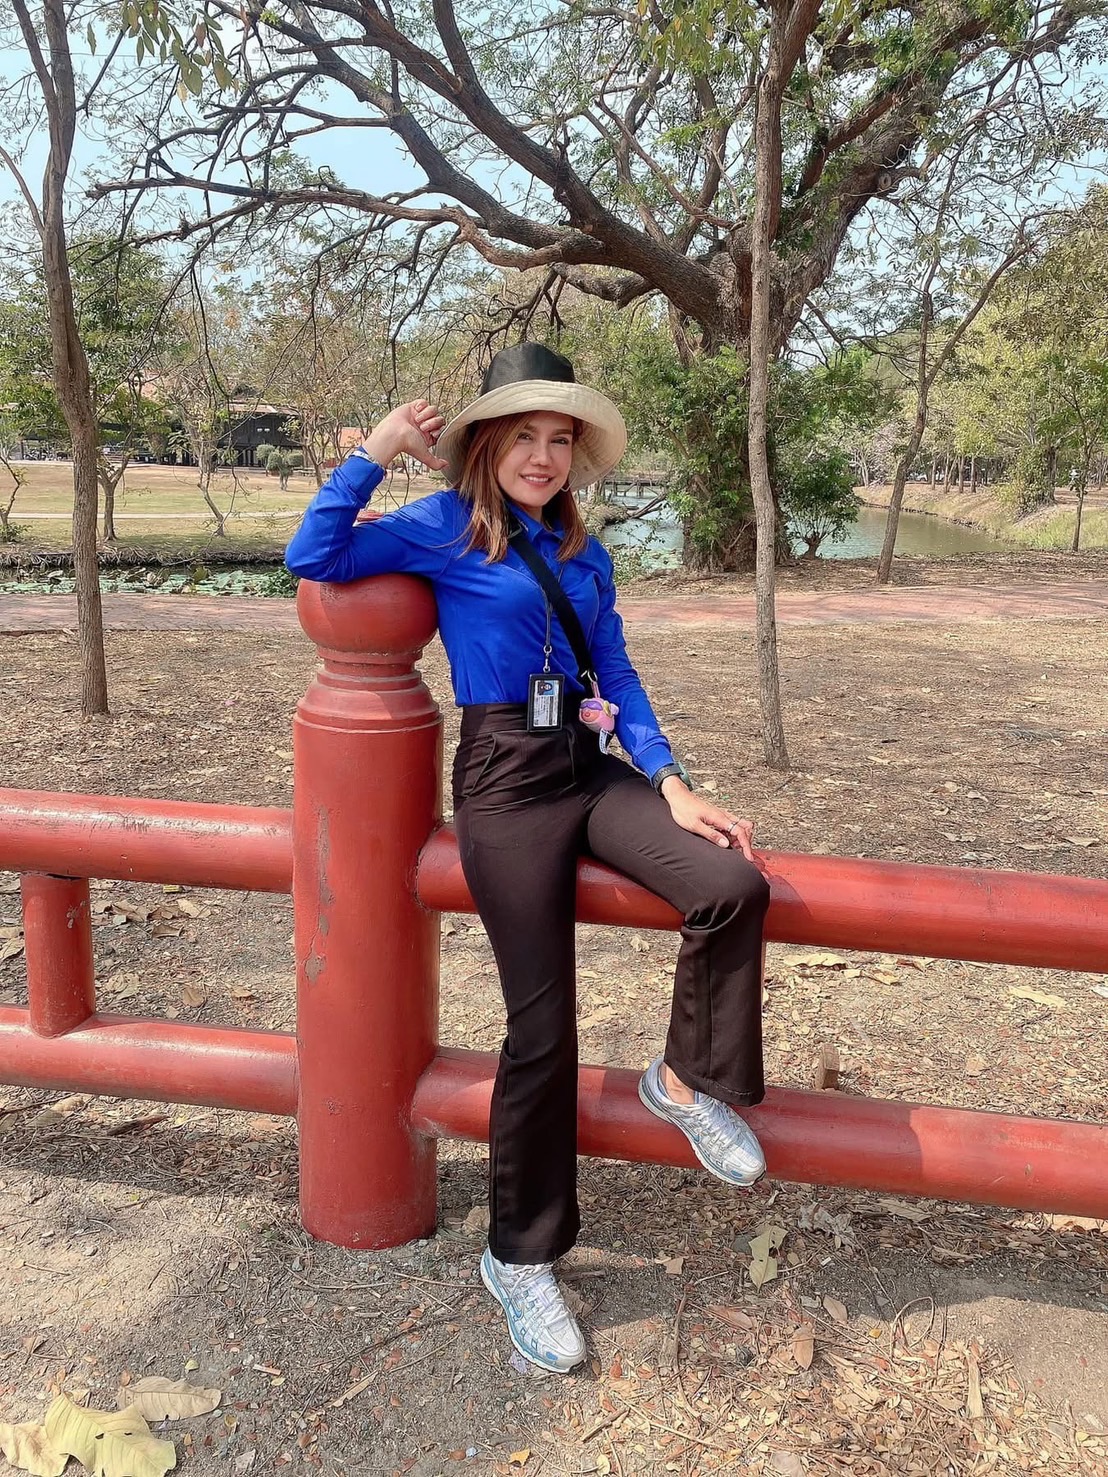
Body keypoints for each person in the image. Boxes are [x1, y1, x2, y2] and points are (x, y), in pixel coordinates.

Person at [286, 344, 771, 1376]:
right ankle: (520, 1257)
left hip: (587, 763)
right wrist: (378, 449)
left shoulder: (584, 552)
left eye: (559, 440)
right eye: (523, 437)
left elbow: (616, 669)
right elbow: (314, 553)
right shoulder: (443, 527)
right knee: (541, 1028)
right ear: (485, 446)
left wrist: (669, 777)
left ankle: (683, 1080)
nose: (543, 457)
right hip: (504, 779)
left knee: (730, 883)